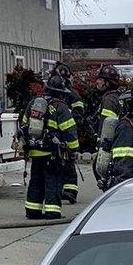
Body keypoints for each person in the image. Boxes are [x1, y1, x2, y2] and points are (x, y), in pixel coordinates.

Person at [20, 74, 79, 220]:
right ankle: (52, 211)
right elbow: (69, 131)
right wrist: (74, 149)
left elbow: (24, 124)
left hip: (34, 150)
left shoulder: (34, 103)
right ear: (61, 92)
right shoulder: (60, 107)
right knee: (53, 181)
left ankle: (32, 210)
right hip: (52, 153)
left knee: (36, 180)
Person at [52, 62, 85, 204]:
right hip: (57, 134)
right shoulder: (69, 94)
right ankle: (65, 190)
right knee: (62, 162)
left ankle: (69, 191)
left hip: (62, 133)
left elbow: (78, 114)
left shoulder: (71, 94)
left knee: (66, 162)